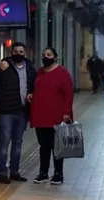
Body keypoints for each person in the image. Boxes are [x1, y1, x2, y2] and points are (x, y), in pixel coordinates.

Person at [0, 42, 36, 184]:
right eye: (15, 51)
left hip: (22, 110)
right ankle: (2, 172)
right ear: (10, 52)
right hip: (6, 111)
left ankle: (14, 171)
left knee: (18, 142)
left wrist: (32, 95)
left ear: (25, 53)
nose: (18, 53)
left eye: (21, 51)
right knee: (4, 141)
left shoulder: (30, 68)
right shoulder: (3, 65)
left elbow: (34, 86)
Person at [30, 47, 74, 185]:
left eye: (48, 55)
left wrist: (67, 112)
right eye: (44, 55)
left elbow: (69, 94)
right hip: (40, 115)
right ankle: (43, 173)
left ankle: (58, 173)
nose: (45, 57)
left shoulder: (62, 73)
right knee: (44, 146)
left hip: (57, 116)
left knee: (57, 146)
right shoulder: (39, 73)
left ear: (55, 57)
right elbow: (37, 89)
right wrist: (31, 95)